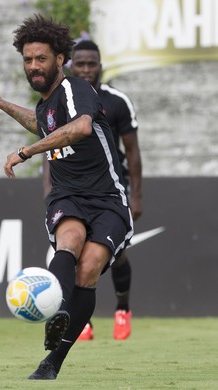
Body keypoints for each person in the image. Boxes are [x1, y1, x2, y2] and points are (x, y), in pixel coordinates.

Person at [0, 14, 133, 380]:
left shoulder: (77, 89)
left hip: (108, 198)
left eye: (41, 58)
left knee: (89, 268)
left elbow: (80, 127)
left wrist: (27, 152)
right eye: (28, 60)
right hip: (68, 195)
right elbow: (40, 121)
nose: (34, 66)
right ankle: (59, 309)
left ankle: (52, 362)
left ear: (60, 58)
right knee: (71, 238)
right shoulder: (48, 104)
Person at [42, 40, 142, 341]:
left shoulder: (117, 102)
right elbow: (53, 142)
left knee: (116, 255)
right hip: (72, 189)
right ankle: (78, 320)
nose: (86, 69)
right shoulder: (60, 98)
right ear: (71, 65)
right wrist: (49, 189)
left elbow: (133, 152)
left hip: (110, 188)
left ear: (100, 66)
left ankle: (123, 308)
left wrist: (136, 194)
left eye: (92, 64)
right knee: (74, 249)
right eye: (81, 64)